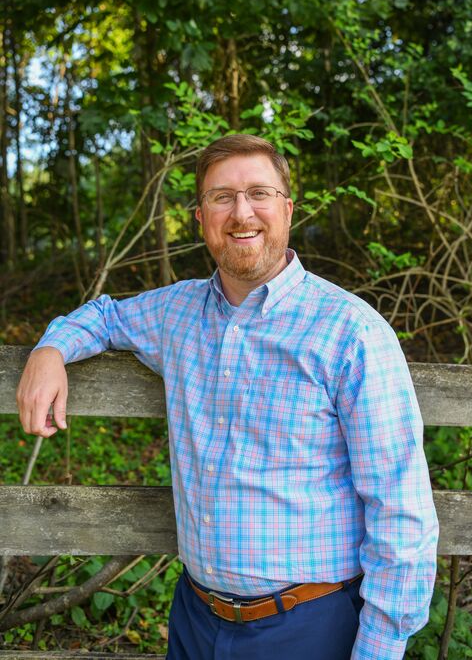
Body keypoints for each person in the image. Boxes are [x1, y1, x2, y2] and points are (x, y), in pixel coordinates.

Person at [17, 134, 439, 660]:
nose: (242, 212)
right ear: (201, 218)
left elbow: (400, 507)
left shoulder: (351, 332)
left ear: (287, 210)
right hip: (195, 620)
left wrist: (379, 648)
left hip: (309, 626)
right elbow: (105, 316)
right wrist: (50, 349)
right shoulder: (177, 311)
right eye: (222, 197)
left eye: (259, 193)